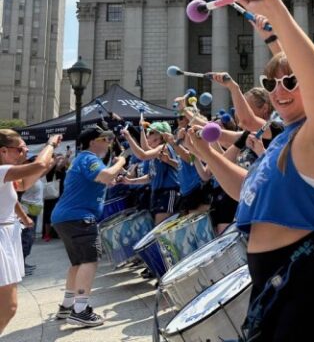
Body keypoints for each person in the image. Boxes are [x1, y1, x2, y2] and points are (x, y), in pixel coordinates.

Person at [183, 0, 314, 341]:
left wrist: (275, 10)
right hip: (278, 280)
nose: (279, 92)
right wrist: (205, 152)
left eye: (290, 83)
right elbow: (245, 191)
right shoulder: (284, 140)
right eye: (271, 85)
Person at [51, 126, 125, 327]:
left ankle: (67, 305)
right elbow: (104, 176)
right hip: (79, 217)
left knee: (78, 263)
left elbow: (101, 180)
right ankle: (80, 310)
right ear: (93, 141)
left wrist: (111, 178)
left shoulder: (82, 160)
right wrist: (120, 162)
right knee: (90, 260)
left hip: (65, 217)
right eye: (105, 140)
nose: (109, 144)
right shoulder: (89, 158)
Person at [0, 131, 58, 334]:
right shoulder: (2, 170)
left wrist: (23, 217)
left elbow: (22, 186)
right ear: (3, 150)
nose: (24, 152)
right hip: (1, 237)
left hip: (6, 236)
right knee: (9, 306)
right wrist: (50, 144)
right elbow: (39, 166)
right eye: (21, 149)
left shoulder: (6, 174)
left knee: (7, 306)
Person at [121, 121, 180, 225]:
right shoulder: (156, 152)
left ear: (161, 136)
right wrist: (130, 181)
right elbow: (150, 176)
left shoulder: (164, 147)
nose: (149, 135)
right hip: (157, 193)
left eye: (152, 132)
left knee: (161, 230)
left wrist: (129, 137)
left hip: (167, 192)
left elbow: (142, 155)